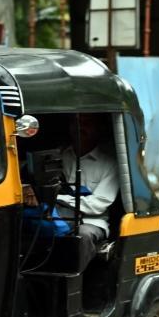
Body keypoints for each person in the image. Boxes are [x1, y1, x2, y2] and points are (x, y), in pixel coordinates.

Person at [56, 113, 120, 266]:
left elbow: (98, 204)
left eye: (87, 123)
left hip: (91, 222)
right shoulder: (60, 156)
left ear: (98, 128)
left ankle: (72, 279)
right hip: (57, 218)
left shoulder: (110, 164)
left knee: (81, 236)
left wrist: (57, 199)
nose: (80, 127)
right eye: (75, 122)